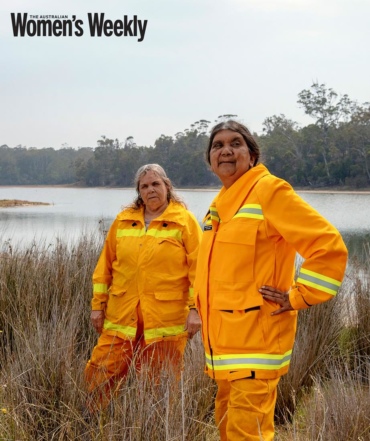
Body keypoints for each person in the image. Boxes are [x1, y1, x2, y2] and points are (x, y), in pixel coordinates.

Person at [194, 120, 348, 441]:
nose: (225, 150)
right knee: (227, 428)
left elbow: (328, 246)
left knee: (245, 434)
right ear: (210, 160)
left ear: (252, 156)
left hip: (256, 346)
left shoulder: (269, 191)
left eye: (236, 143)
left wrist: (298, 296)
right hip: (223, 350)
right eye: (218, 145)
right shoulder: (217, 206)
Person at [85, 163, 202, 411]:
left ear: (167, 187)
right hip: (120, 316)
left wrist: (196, 310)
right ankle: (91, 421)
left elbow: (200, 270)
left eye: (156, 184)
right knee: (100, 371)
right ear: (139, 191)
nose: (151, 190)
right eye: (144, 186)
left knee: (157, 383)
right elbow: (104, 267)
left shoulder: (184, 222)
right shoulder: (124, 221)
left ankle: (153, 429)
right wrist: (98, 307)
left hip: (165, 322)